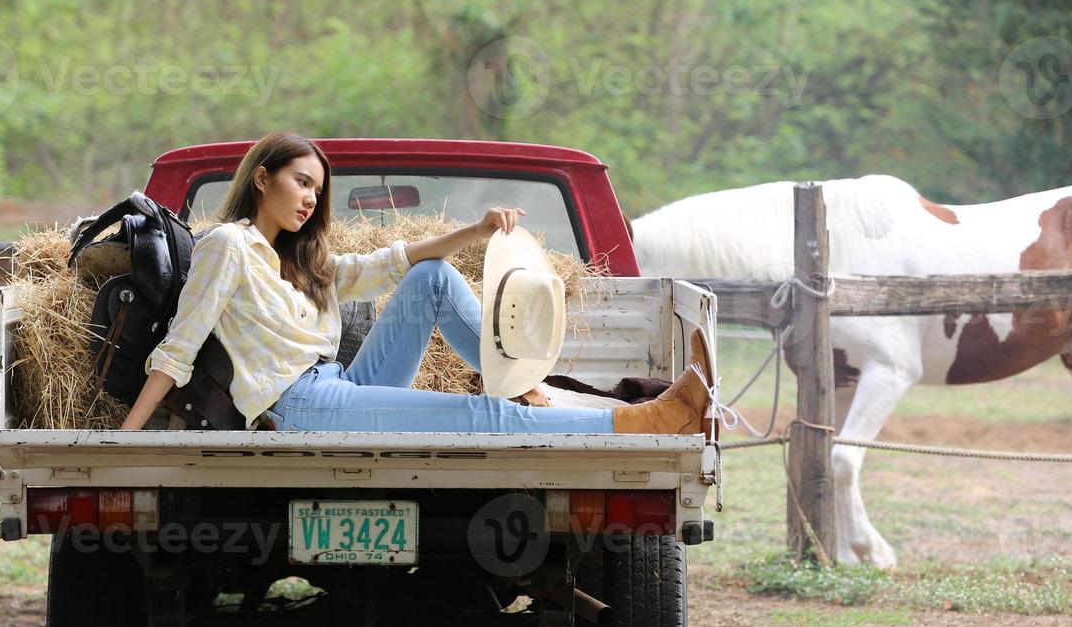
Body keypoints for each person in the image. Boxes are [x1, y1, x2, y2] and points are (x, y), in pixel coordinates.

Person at [118, 131, 712, 435]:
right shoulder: (228, 247)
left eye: (316, 192)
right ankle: (643, 421)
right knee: (482, 419)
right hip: (298, 405)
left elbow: (388, 263)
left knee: (429, 275)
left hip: (337, 384)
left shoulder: (298, 261)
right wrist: (125, 440)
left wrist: (476, 232)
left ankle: (520, 381)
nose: (309, 200)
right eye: (301, 183)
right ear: (261, 178)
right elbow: (180, 344)